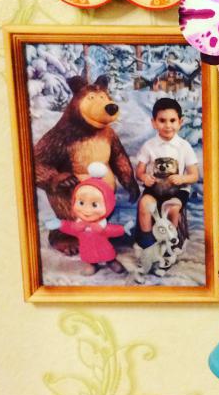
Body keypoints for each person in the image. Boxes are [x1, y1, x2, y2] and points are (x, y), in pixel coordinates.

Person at [135, 97, 199, 249]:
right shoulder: (149, 146)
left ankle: (170, 241)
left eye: (172, 120)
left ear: (180, 122)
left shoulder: (184, 147)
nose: (168, 125)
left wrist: (182, 178)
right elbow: (139, 171)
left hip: (178, 190)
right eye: (162, 120)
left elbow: (194, 176)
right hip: (155, 189)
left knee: (172, 208)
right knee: (144, 204)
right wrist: (144, 177)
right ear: (154, 122)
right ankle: (147, 241)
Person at [58, 162, 125, 275]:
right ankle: (92, 265)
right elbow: (70, 227)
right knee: (89, 257)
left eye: (94, 205)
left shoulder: (101, 226)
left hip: (104, 249)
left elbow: (112, 230)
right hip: (87, 249)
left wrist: (123, 229)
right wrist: (59, 224)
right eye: (81, 203)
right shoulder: (79, 225)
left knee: (108, 254)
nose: (87, 210)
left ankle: (111, 262)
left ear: (108, 205)